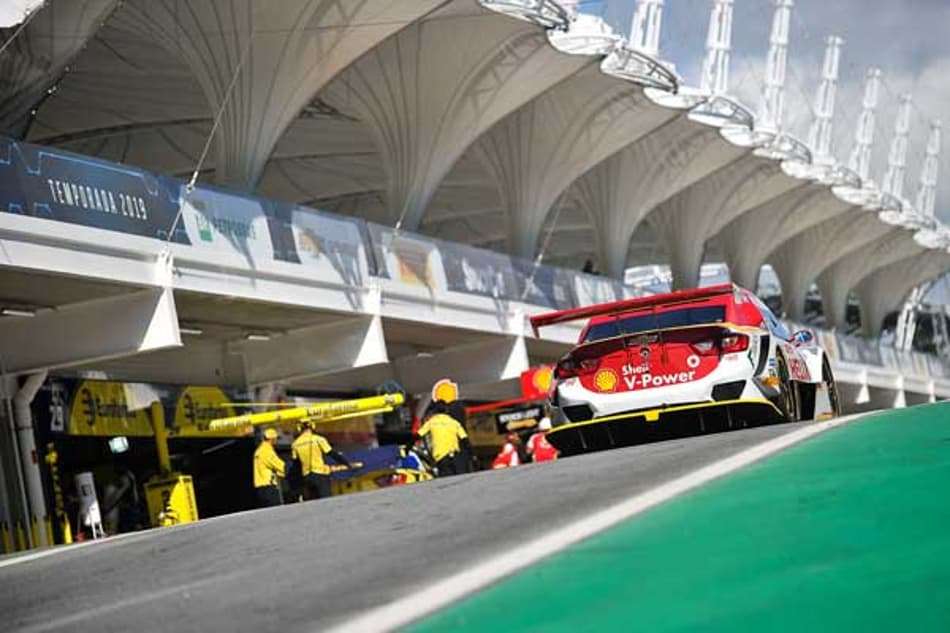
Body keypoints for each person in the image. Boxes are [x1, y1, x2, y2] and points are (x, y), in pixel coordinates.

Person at [291, 420, 353, 501]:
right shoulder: (318, 439)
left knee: (314, 503)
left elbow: (296, 464)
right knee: (326, 501)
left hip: (307, 478)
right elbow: (331, 453)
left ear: (299, 428)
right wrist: (346, 463)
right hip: (320, 474)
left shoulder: (295, 444)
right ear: (312, 426)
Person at [414, 400, 471, 477]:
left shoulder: (431, 422)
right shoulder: (454, 422)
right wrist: (471, 454)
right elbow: (464, 439)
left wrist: (408, 445)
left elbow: (418, 435)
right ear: (446, 410)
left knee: (446, 478)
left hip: (440, 456)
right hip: (455, 455)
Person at [253, 427, 286, 507]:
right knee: (277, 511)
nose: (276, 441)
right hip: (269, 487)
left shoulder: (258, 451)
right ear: (272, 439)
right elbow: (280, 466)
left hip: (261, 487)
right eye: (276, 439)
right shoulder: (267, 451)